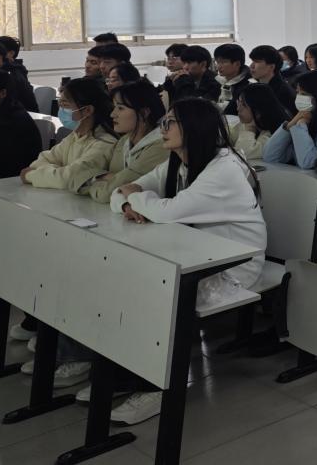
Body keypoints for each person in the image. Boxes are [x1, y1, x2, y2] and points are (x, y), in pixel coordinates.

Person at [108, 97, 266, 424]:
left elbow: (168, 212)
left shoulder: (223, 168)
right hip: (191, 252)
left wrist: (137, 199)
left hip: (231, 265)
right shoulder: (178, 161)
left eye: (170, 123)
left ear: (194, 128)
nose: (162, 129)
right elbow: (121, 191)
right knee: (121, 278)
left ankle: (156, 387)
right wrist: (127, 204)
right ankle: (124, 371)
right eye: (163, 122)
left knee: (150, 294)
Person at [20, 78, 116, 190]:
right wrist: (57, 172)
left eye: (65, 104)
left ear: (88, 110)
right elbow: (41, 160)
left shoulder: (105, 143)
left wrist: (30, 175)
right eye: (60, 103)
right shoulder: (75, 136)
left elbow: (69, 178)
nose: (61, 109)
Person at [83, 81, 169, 203]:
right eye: (114, 107)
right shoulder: (124, 140)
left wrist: (99, 180)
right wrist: (107, 177)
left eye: (120, 108)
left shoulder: (161, 146)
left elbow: (105, 194)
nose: (112, 114)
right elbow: (80, 175)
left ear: (144, 113)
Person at [232, 84, 288, 160]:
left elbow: (243, 153)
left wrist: (249, 128)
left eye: (243, 105)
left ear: (258, 111)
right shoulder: (247, 124)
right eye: (238, 103)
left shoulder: (273, 134)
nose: (238, 109)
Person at [212, 43, 251, 115]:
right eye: (217, 62)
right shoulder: (217, 81)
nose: (218, 66)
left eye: (223, 62)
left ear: (237, 64)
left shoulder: (249, 85)